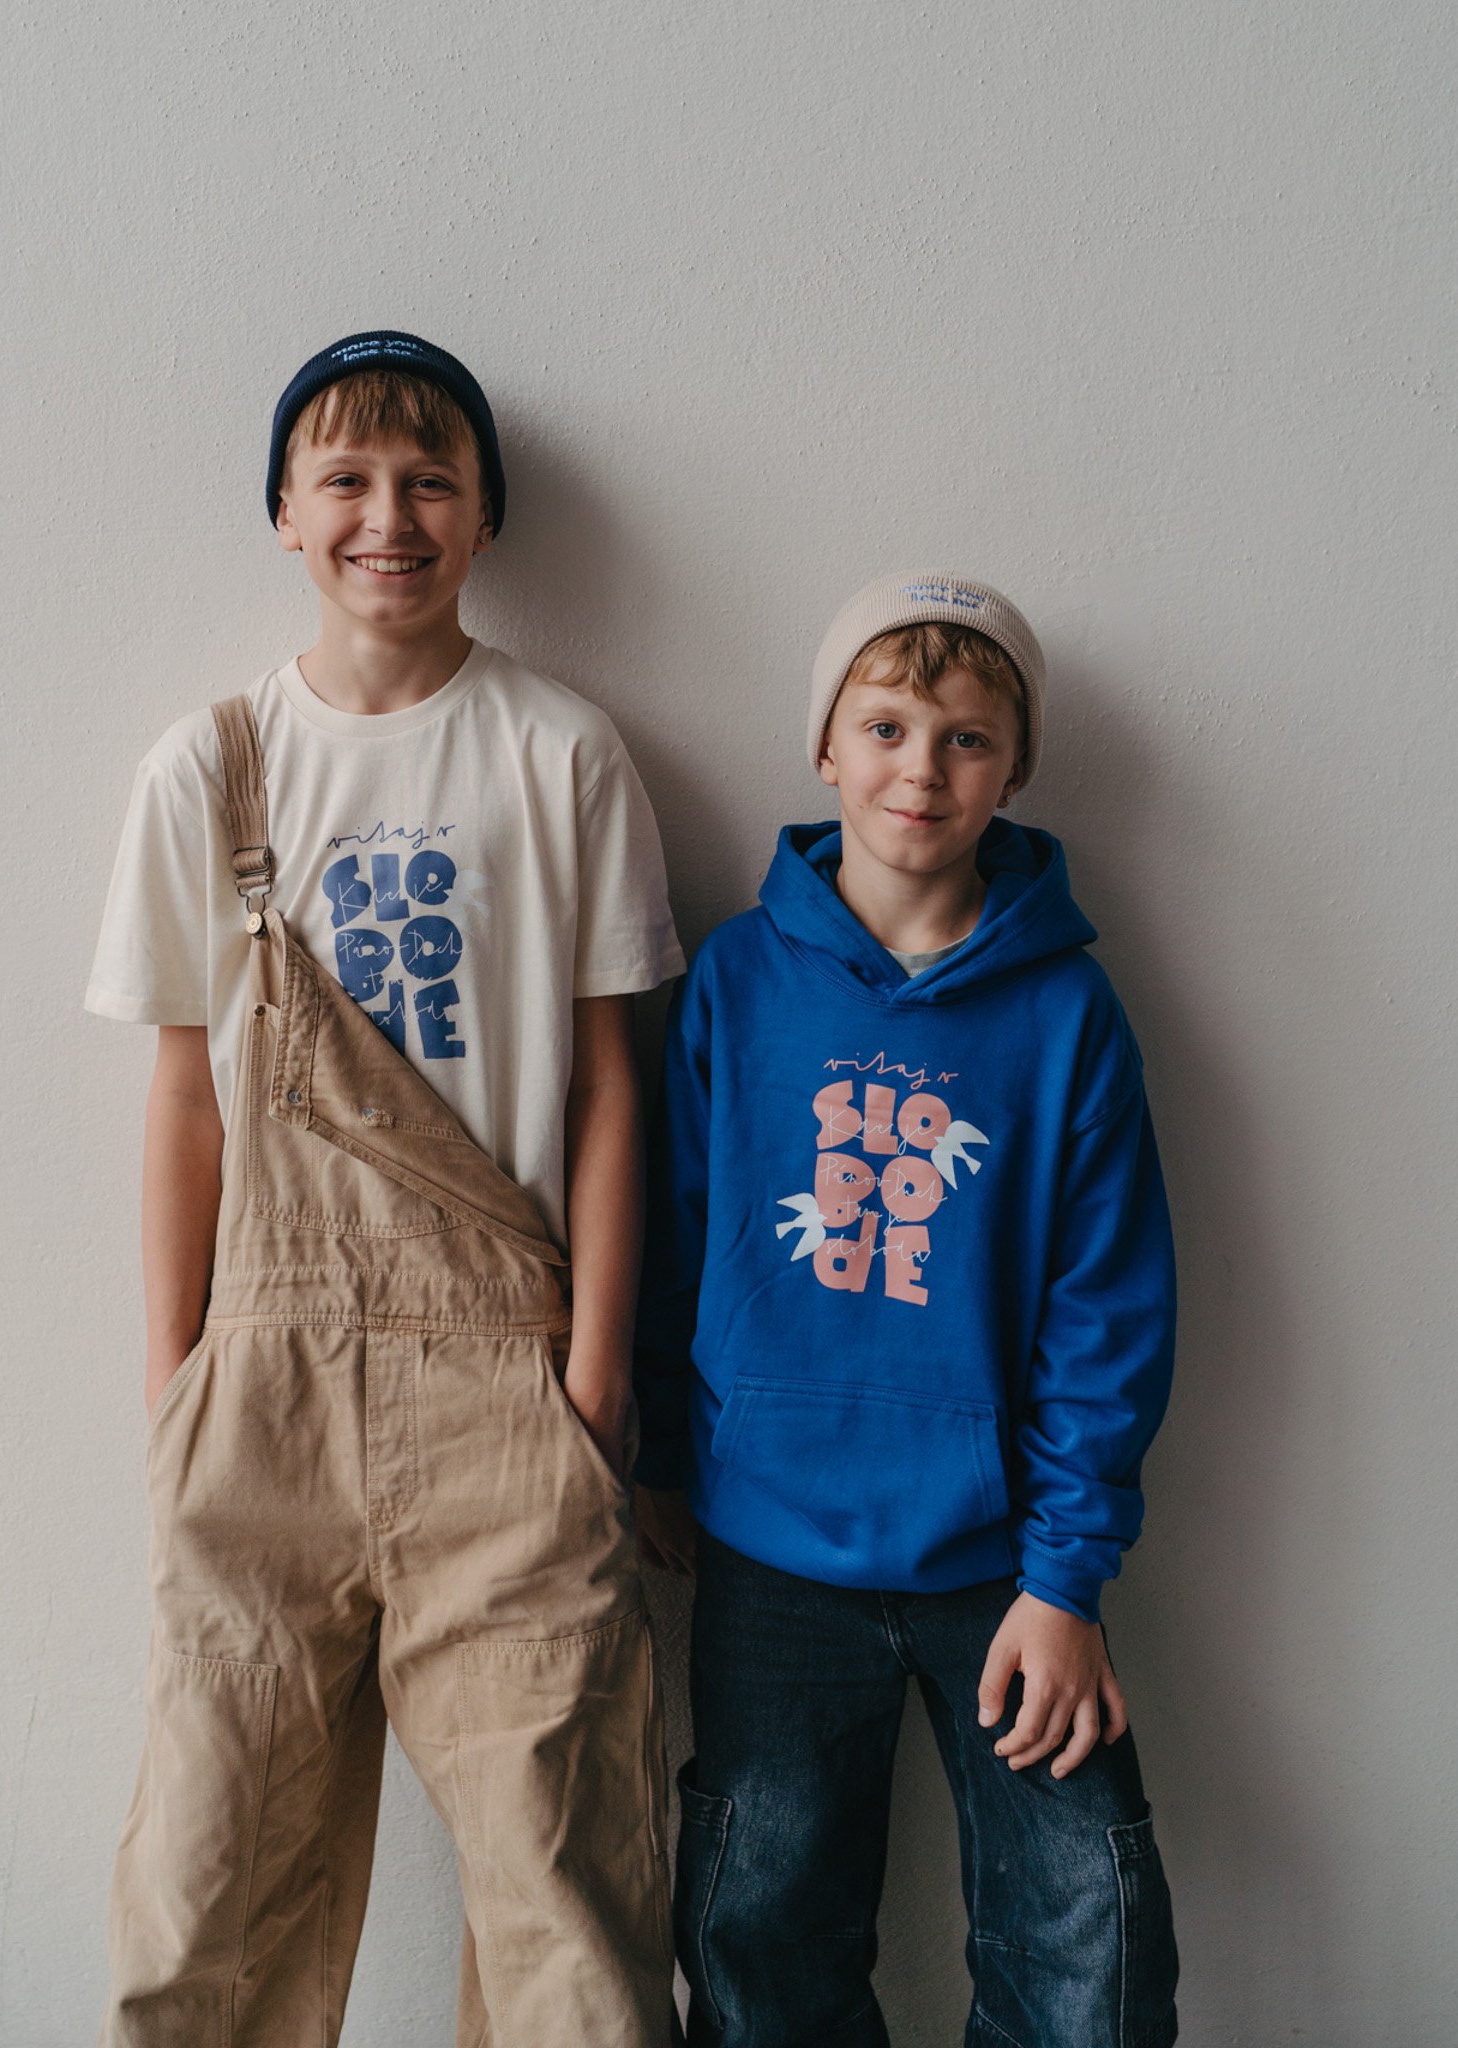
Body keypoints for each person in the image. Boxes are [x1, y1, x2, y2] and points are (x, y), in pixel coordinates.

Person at [86, 330, 684, 2048]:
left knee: (564, 1905)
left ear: (485, 516)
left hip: (511, 1376)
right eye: (343, 478)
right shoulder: (210, 766)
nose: (388, 516)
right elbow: (186, 1099)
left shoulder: (561, 754)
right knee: (206, 1891)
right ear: (284, 513)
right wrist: (179, 1382)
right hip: (260, 1380)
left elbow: (613, 1085)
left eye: (431, 479)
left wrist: (593, 1377)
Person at [633, 573, 1180, 2048]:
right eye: (883, 728)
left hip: (1007, 1566)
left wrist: (1066, 1580)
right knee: (761, 1943)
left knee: (1088, 1947)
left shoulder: (1068, 1015)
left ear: (1016, 767)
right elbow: (673, 1236)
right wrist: (661, 1458)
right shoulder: (737, 980)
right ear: (824, 746)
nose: (920, 770)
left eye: (965, 738)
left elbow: (1106, 1309)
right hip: (767, 1554)